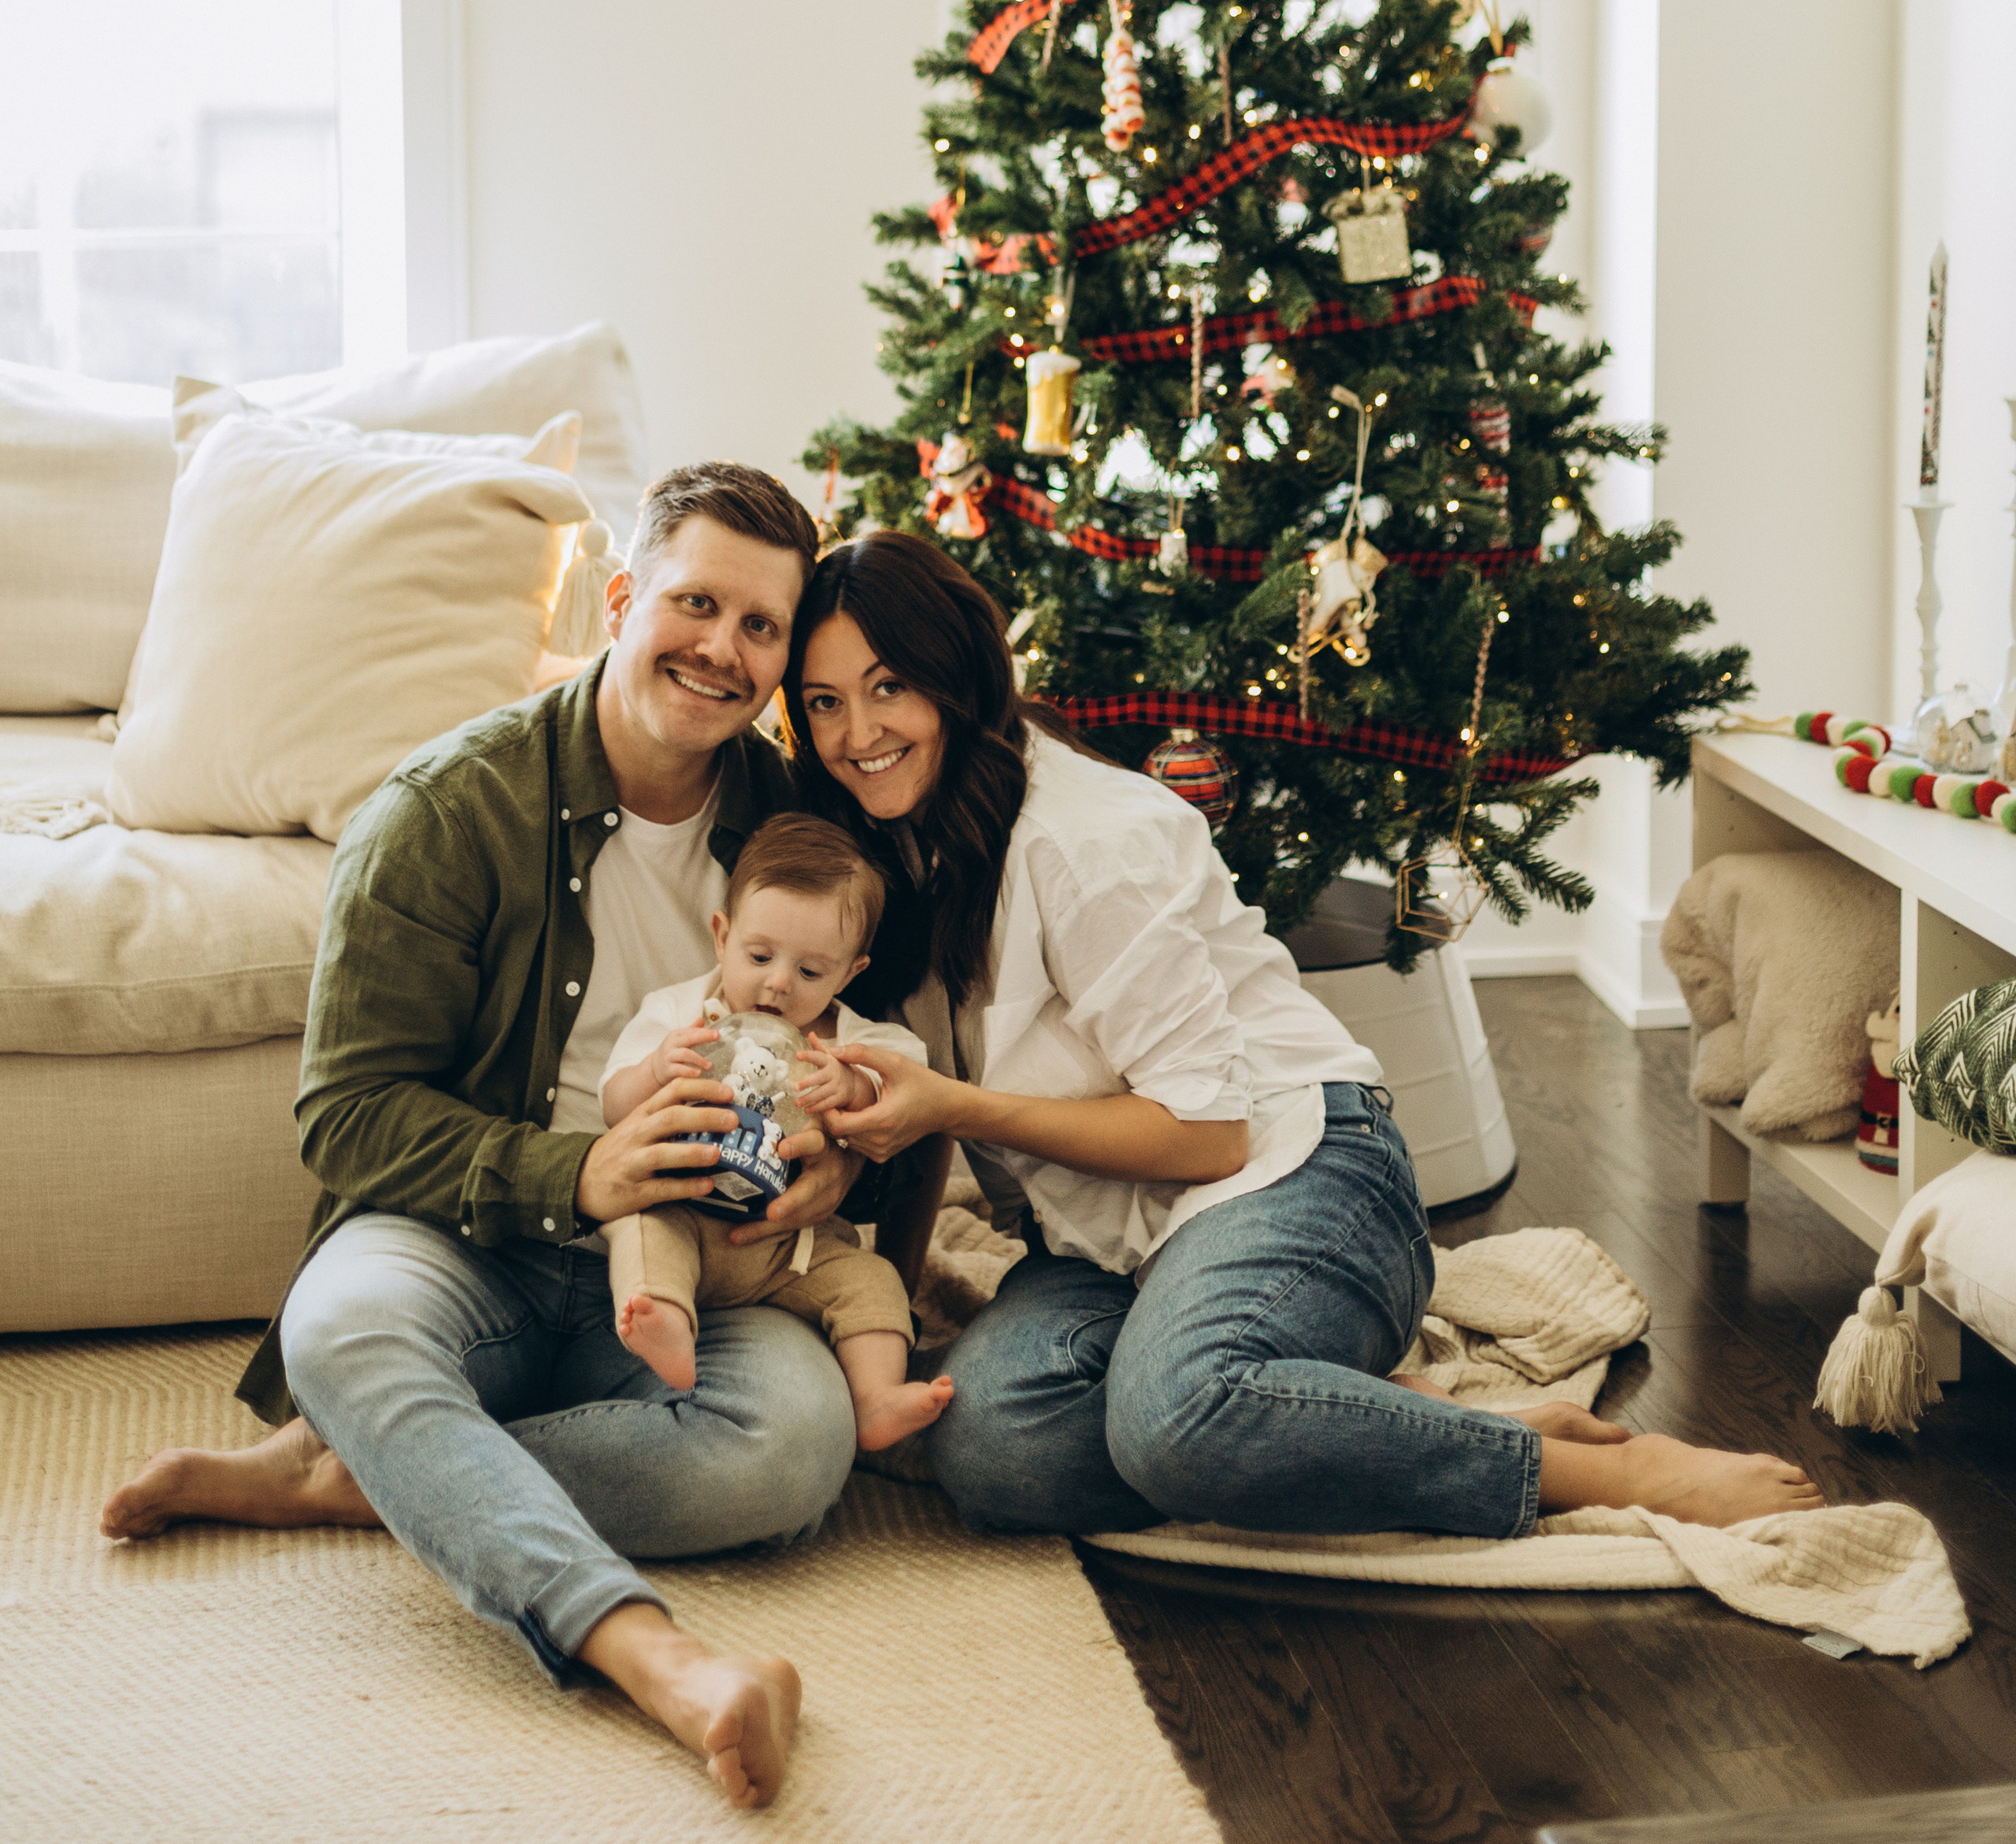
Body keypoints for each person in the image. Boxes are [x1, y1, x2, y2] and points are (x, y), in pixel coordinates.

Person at [102, 462, 911, 1812]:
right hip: (471, 1237)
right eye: (696, 603)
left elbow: (860, 1044)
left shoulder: (795, 828)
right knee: (342, 1332)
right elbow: (348, 1114)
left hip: (701, 1266)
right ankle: (661, 1662)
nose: (723, 649)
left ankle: (361, 1474)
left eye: (760, 626)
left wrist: (835, 1158)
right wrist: (578, 1172)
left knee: (791, 1449)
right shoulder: (447, 810)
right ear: (621, 600)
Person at [780, 529, 1828, 1542]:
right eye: (824, 702)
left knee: (1173, 1421)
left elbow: (1207, 1136)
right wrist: (896, 1322)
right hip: (1110, 1240)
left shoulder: (1083, 842)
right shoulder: (888, 855)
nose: (857, 733)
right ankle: (1359, 1414)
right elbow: (917, 1114)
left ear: (957, 677)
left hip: (1297, 1171)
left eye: (888, 686)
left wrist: (958, 1109)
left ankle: (1589, 1472)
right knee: (990, 1446)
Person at [598, 810, 954, 1455]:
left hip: (793, 1247)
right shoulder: (682, 1013)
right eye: (760, 956)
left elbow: (907, 1087)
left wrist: (853, 1087)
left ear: (851, 973)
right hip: (683, 1212)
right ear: (722, 935)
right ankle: (665, 1323)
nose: (779, 983)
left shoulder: (849, 1039)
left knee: (873, 1282)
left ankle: (875, 1396)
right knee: (639, 1231)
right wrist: (654, 1071)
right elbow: (613, 1106)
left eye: (812, 972)